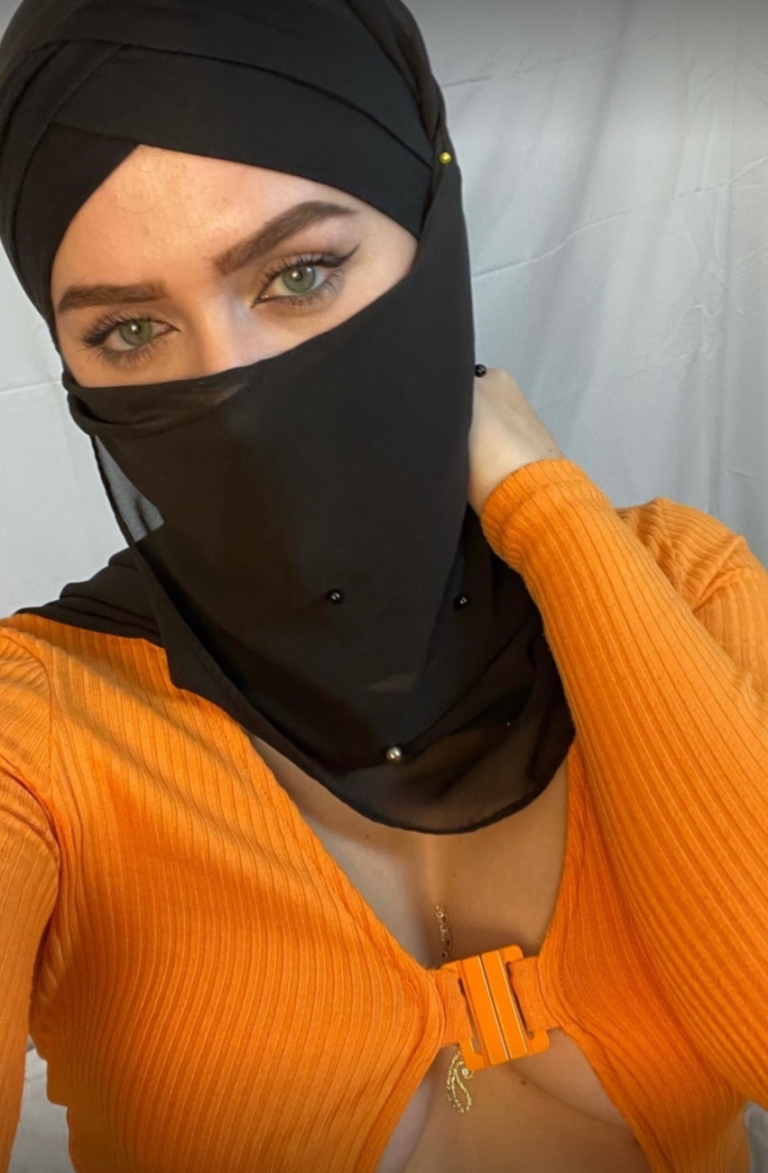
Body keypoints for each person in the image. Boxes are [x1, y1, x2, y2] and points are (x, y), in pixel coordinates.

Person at [0, 1, 767, 1171]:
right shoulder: (38, 737)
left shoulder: (683, 588)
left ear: (431, 230)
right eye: (133, 332)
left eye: (299, 273)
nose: (235, 399)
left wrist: (549, 513)